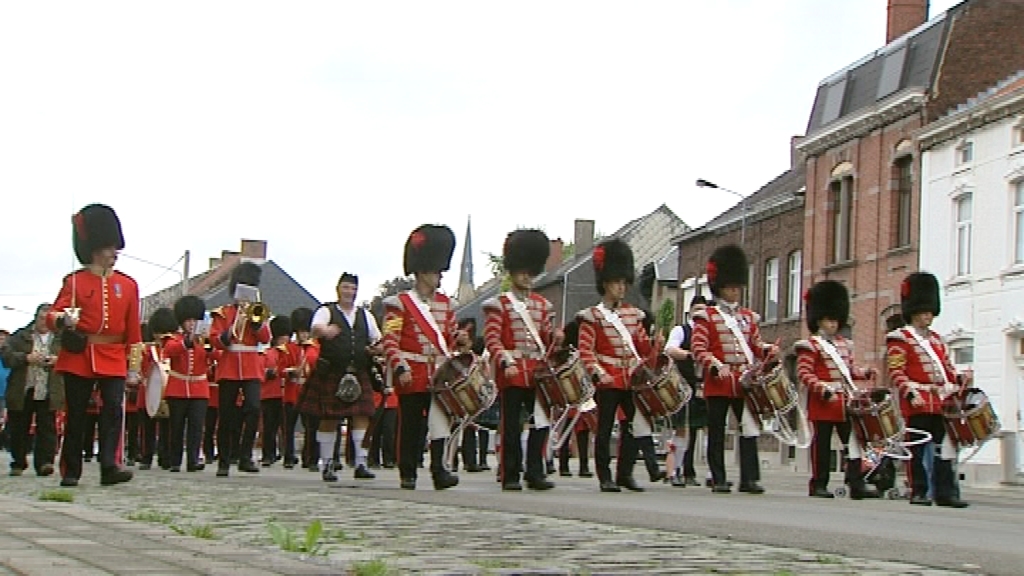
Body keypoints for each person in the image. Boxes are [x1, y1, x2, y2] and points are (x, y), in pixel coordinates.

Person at [46, 204, 139, 487]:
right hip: (81, 355)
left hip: (112, 355)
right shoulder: (75, 282)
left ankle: (110, 465)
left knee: (113, 411)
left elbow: (133, 332)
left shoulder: (128, 285)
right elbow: (52, 316)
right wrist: (63, 320)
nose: (115, 253)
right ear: (96, 248)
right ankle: (71, 470)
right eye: (110, 248)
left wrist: (133, 367)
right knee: (76, 415)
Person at [382, 224, 466, 490]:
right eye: (434, 272)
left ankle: (439, 470)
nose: (439, 277)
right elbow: (390, 341)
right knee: (410, 424)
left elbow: (449, 338)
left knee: (440, 421)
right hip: (412, 372)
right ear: (421, 272)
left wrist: (461, 340)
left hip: (439, 373)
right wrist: (399, 367)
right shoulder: (399, 304)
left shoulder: (446, 304)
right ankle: (408, 471)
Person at [691, 244, 776, 495]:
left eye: (737, 288)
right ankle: (718, 477)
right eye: (730, 287)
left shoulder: (748, 318)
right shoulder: (707, 316)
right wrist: (715, 365)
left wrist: (767, 350)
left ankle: (749, 478)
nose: (734, 292)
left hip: (744, 381)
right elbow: (699, 349)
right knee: (717, 430)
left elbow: (755, 344)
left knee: (749, 427)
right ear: (720, 287)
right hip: (719, 382)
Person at [576, 238, 659, 493]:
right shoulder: (593, 317)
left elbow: (642, 348)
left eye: (624, 283)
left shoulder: (634, 315)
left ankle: (625, 473)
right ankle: (605, 476)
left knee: (633, 427)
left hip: (631, 379)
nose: (621, 288)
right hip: (608, 378)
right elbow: (586, 352)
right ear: (605, 283)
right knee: (604, 430)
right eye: (616, 283)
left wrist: (656, 344)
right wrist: (599, 374)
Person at [483, 229, 561, 491]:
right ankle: (510, 472)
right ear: (513, 271)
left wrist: (556, 338)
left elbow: (546, 339)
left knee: (541, 422)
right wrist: (505, 359)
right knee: (512, 427)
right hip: (513, 372)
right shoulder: (500, 304)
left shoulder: (543, 306)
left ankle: (535, 471)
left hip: (537, 372)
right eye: (522, 271)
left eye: (531, 271)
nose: (527, 277)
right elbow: (492, 339)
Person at [886, 272, 970, 508]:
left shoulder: (936, 340)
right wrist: (910, 393)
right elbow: (897, 372)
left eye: (930, 313)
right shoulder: (900, 339)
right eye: (924, 313)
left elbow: (947, 368)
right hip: (918, 401)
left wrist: (959, 377)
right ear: (914, 313)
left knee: (945, 449)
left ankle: (945, 492)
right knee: (917, 448)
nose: (928, 317)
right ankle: (918, 490)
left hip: (940, 402)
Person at [794, 280, 879, 499]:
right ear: (819, 320)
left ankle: (855, 481)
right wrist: (821, 387)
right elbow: (804, 374)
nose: (833, 324)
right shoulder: (810, 345)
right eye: (828, 320)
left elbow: (849, 371)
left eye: (835, 320)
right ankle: (819, 483)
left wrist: (865, 372)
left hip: (844, 402)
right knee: (821, 445)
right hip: (823, 402)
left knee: (853, 442)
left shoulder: (844, 344)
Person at [299, 273, 380, 481]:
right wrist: (325, 330)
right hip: (332, 371)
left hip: (358, 370)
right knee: (329, 418)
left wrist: (375, 350)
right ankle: (327, 464)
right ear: (338, 289)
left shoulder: (365, 315)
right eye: (346, 288)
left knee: (361, 416)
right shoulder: (326, 311)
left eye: (353, 289)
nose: (350, 293)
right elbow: (315, 329)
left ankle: (361, 463)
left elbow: (376, 340)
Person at [210, 262, 272, 476]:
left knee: (254, 409)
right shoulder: (223, 313)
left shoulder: (258, 312)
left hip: (251, 366)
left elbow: (265, 338)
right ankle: (225, 460)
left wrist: (254, 321)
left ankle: (246, 456)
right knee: (226, 415)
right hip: (229, 366)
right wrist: (233, 326)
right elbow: (217, 340)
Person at [2, 303, 64, 476]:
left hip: (48, 387)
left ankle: (45, 462)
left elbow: (72, 358)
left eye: (48, 319)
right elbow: (7, 356)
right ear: (35, 317)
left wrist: (57, 360)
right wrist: (26, 358)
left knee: (47, 427)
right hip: (24, 386)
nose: (44, 322)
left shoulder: (60, 338)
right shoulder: (20, 336)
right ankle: (18, 461)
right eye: (42, 318)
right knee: (19, 426)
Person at [161, 296, 211, 473]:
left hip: (199, 389)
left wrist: (209, 345)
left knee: (196, 427)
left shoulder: (205, 340)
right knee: (177, 426)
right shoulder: (174, 338)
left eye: (194, 320)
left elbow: (216, 357)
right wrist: (188, 341)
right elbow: (170, 351)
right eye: (188, 320)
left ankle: (193, 460)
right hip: (178, 388)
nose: (191, 324)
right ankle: (175, 460)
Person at [664, 295, 708, 487]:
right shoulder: (681, 330)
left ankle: (711, 473)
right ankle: (675, 471)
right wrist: (690, 355)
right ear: (690, 310)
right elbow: (670, 349)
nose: (700, 312)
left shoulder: (710, 332)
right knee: (682, 430)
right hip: (684, 387)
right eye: (697, 308)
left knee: (709, 430)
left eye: (703, 309)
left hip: (706, 386)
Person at [260, 316, 290, 467]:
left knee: (286, 428)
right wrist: (269, 373)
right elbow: (261, 372)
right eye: (282, 337)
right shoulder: (268, 353)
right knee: (269, 427)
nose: (285, 340)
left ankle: (287, 454)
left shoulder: (291, 352)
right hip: (270, 394)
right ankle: (268, 454)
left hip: (287, 394)